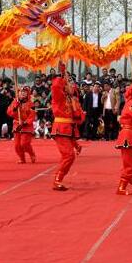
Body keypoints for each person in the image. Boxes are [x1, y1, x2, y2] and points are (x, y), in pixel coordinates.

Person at [50, 63, 85, 191]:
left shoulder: (73, 100)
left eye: (71, 82)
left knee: (69, 156)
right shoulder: (59, 97)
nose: (71, 84)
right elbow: (55, 87)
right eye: (68, 82)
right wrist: (61, 74)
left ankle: (58, 179)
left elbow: (79, 119)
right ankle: (57, 180)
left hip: (69, 129)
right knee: (69, 155)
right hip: (61, 128)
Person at [7, 86, 36, 164]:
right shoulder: (15, 102)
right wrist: (14, 108)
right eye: (21, 92)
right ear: (18, 93)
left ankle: (31, 153)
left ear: (27, 94)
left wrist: (25, 123)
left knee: (24, 143)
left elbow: (32, 115)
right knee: (17, 145)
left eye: (24, 92)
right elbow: (9, 113)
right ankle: (22, 158)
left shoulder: (31, 104)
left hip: (27, 126)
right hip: (17, 125)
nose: (22, 93)